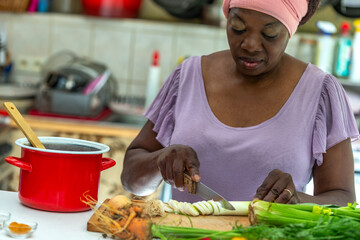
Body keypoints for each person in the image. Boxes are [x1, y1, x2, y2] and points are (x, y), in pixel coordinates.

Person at [121, 0, 359, 206]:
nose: (250, 45)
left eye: (270, 34)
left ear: (290, 31)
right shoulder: (188, 77)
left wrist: (298, 201)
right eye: (238, 28)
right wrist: (159, 160)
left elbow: (343, 199)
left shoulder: (319, 92)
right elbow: (131, 180)